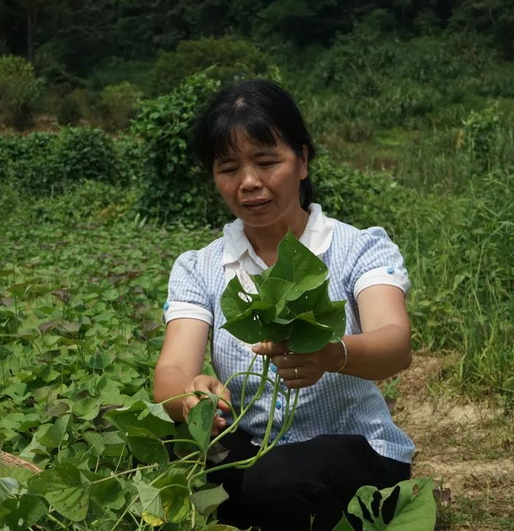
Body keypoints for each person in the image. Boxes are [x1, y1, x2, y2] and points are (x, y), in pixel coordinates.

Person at [152, 79, 414, 531]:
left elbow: (395, 345)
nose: (249, 183)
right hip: (257, 445)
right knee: (186, 460)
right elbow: (171, 372)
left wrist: (333, 354)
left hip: (354, 447)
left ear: (303, 160)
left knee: (275, 482)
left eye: (268, 161)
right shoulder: (201, 267)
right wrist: (191, 396)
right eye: (228, 168)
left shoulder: (357, 248)